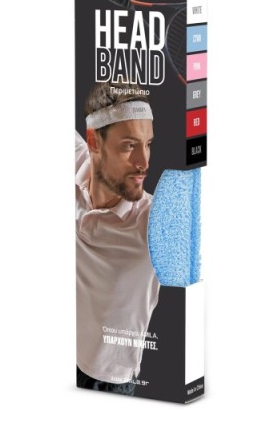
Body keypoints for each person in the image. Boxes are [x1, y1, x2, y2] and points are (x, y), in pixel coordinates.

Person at [76, 83, 160, 395]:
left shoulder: (156, 224)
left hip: (109, 380)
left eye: (148, 144)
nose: (144, 162)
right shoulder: (74, 162)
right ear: (93, 142)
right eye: (129, 146)